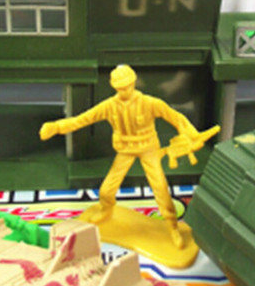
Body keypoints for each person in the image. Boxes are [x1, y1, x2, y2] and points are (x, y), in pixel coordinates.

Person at [40, 64, 201, 249]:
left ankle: (172, 227)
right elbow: (81, 120)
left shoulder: (149, 103)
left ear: (133, 83)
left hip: (148, 149)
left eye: (127, 86)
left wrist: (191, 134)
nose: (124, 90)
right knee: (106, 190)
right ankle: (106, 209)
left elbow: (176, 117)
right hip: (125, 150)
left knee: (161, 188)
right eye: (120, 87)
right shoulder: (109, 106)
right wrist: (56, 127)